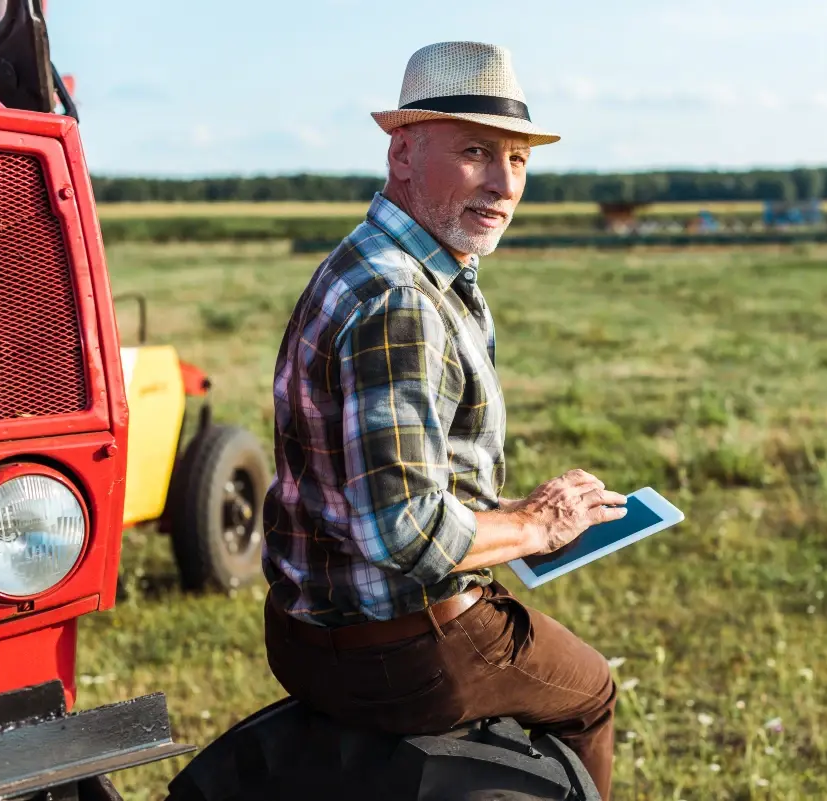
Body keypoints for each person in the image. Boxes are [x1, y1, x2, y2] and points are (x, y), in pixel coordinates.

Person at [260, 41, 627, 799]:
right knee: (592, 692)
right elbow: (406, 531)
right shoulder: (402, 298)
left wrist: (512, 518)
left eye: (518, 159)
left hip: (305, 628)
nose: (503, 184)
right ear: (402, 153)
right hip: (397, 648)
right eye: (474, 151)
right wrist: (534, 526)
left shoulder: (368, 261)